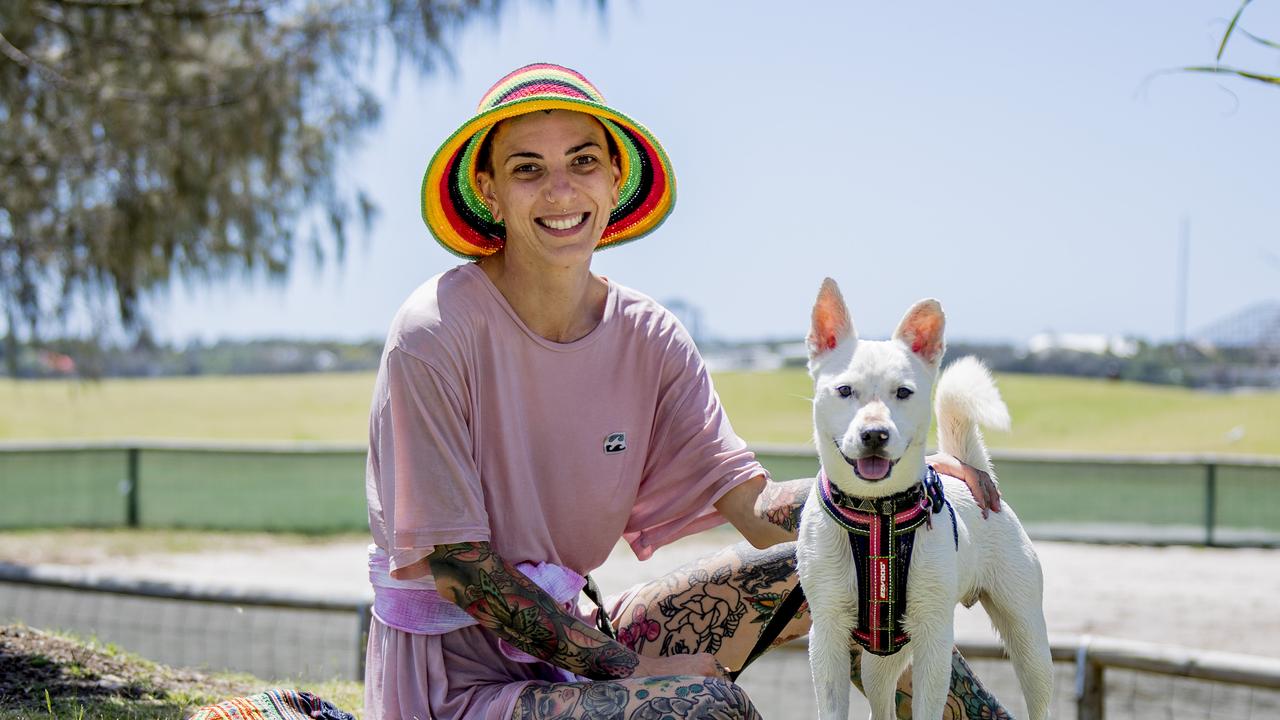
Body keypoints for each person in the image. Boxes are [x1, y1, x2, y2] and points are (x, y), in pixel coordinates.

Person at [364, 63, 1010, 720]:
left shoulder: (648, 335)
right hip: (458, 687)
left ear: (614, 179)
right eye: (527, 168)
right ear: (489, 191)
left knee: (863, 572)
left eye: (582, 161)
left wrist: (902, 482)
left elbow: (752, 503)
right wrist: (631, 668)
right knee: (705, 707)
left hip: (577, 638)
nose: (560, 190)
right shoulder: (434, 332)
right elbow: (462, 572)